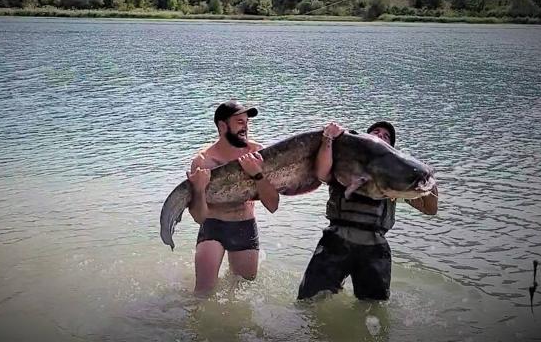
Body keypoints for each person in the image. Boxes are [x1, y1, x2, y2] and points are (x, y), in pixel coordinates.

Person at [297, 121, 439, 301]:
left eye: (386, 136)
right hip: (336, 241)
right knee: (308, 301)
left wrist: (426, 175)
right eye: (375, 132)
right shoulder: (343, 162)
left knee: (374, 308)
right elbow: (321, 173)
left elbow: (430, 209)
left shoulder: (397, 180)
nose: (379, 136)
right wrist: (328, 138)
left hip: (374, 249)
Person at [187, 100, 279, 295]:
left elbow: (272, 205)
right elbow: (199, 217)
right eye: (239, 122)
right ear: (222, 126)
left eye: (247, 122)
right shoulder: (203, 161)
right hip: (214, 226)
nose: (245, 127)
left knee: (242, 293)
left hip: (245, 227)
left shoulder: (257, 154)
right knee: (203, 293)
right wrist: (199, 189)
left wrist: (257, 174)